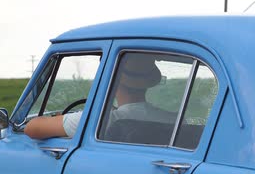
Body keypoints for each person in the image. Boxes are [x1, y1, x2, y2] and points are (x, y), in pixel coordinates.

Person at [24, 54, 174, 140]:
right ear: (148, 82)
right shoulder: (171, 119)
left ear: (112, 79)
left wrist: (58, 118)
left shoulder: (100, 120)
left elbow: (32, 128)